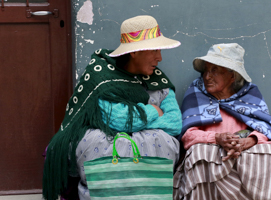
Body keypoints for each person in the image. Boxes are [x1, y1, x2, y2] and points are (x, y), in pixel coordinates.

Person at [43, 15, 182, 200]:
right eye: (154, 50)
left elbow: (174, 123)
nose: (160, 57)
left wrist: (136, 126)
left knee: (161, 140)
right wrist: (153, 111)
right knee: (100, 141)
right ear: (135, 51)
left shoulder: (158, 81)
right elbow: (117, 119)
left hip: (127, 137)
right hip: (106, 143)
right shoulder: (102, 77)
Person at [173, 43, 271, 200]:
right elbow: (188, 136)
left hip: (247, 153)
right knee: (199, 153)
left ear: (232, 75)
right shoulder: (196, 94)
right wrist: (217, 139)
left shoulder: (250, 96)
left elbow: (267, 131)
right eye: (206, 71)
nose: (207, 76)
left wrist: (249, 141)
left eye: (214, 71)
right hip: (213, 154)